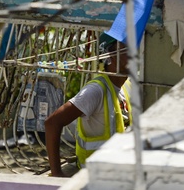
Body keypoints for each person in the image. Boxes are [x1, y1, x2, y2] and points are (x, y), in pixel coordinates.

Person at [45, 36, 130, 176]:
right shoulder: (96, 91)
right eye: (126, 50)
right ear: (110, 56)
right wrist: (56, 174)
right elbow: (52, 123)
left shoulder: (127, 86)